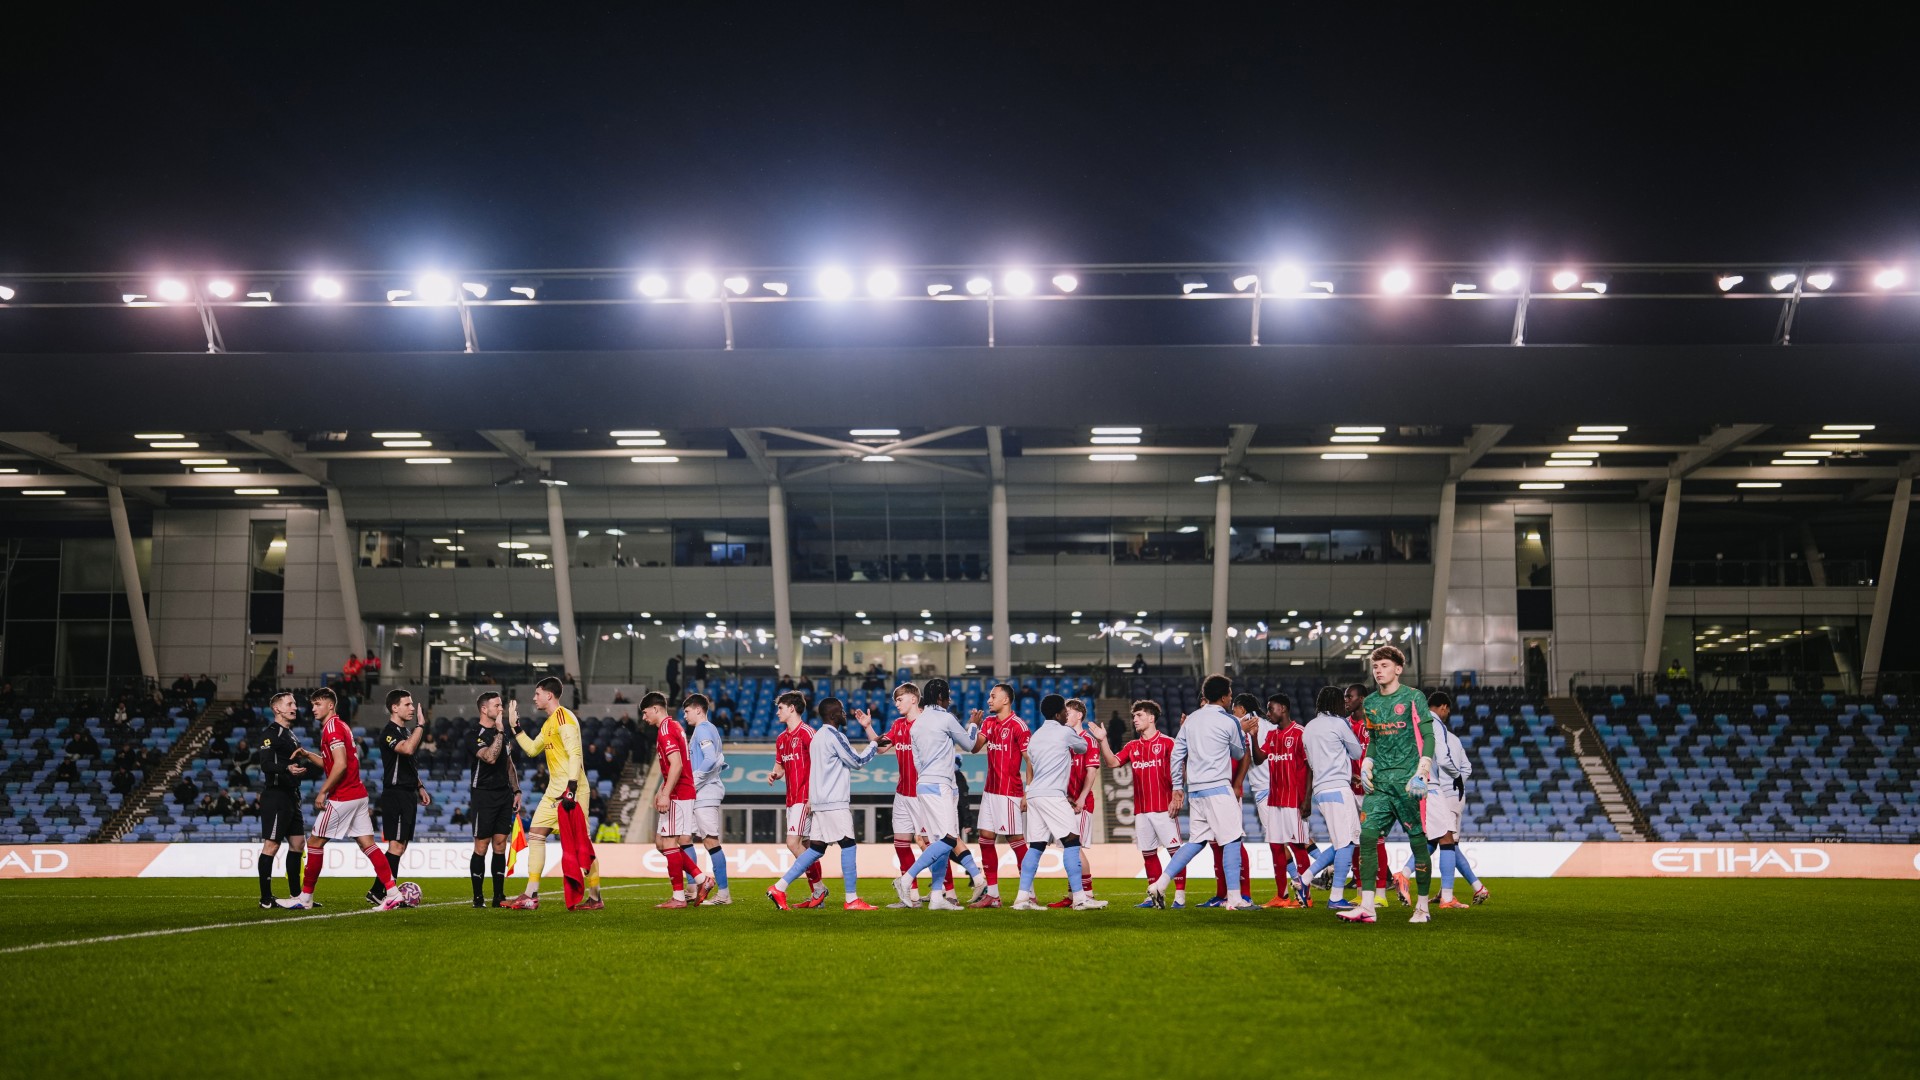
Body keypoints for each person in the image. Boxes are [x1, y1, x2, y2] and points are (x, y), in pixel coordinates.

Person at [277, 688, 406, 911]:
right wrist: (309, 755)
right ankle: (393, 893)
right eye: (313, 705)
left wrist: (323, 791)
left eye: (318, 704)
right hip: (358, 794)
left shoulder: (333, 728)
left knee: (315, 843)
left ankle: (305, 897)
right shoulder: (340, 726)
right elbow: (332, 762)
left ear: (330, 705)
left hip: (343, 796)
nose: (313, 709)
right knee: (368, 845)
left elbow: (340, 765)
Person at [1338, 646, 1439, 925]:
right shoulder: (1370, 703)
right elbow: (1373, 742)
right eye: (1375, 666)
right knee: (1367, 838)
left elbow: (1429, 736)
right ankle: (1368, 906)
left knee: (1418, 842)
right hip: (1379, 784)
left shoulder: (1413, 697)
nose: (1379, 670)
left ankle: (1422, 907)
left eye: (1384, 665)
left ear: (1398, 669)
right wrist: (1367, 763)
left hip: (1409, 783)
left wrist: (1423, 769)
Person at [1144, 674, 1252, 910]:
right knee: (1232, 839)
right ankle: (1234, 899)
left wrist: (1177, 788)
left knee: (1196, 841)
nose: (1231, 698)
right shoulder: (1229, 721)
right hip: (1219, 788)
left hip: (1197, 791)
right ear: (1224, 697)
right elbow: (1238, 753)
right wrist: (1240, 731)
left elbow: (1177, 755)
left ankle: (1160, 884)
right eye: (1230, 694)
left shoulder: (1191, 720)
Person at [768, 698, 885, 911]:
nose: (844, 714)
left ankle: (779, 887)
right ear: (833, 715)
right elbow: (857, 761)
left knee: (815, 849)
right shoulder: (834, 736)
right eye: (841, 711)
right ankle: (851, 899)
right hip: (834, 802)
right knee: (848, 845)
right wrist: (874, 744)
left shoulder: (817, 736)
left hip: (819, 802)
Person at [504, 678, 606, 911]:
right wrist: (516, 727)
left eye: (537, 693)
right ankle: (531, 894)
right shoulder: (549, 723)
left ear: (549, 695)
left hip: (572, 790)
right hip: (554, 792)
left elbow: (575, 754)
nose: (534, 697)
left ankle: (595, 896)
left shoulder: (564, 718)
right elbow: (531, 750)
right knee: (536, 835)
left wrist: (571, 788)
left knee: (582, 845)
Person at [892, 680, 986, 910]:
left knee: (939, 841)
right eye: (949, 695)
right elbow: (970, 744)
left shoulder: (916, 725)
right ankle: (905, 879)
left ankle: (936, 897)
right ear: (943, 696)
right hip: (940, 784)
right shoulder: (946, 718)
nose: (951, 699)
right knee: (949, 839)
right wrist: (973, 725)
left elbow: (916, 761)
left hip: (923, 784)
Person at [1009, 694, 1107, 910]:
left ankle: (1022, 898)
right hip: (1053, 795)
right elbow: (1081, 747)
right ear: (1057, 714)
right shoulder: (1065, 732)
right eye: (1064, 710)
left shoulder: (1035, 736)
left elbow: (1032, 762)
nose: (1066, 713)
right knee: (1072, 842)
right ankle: (1080, 898)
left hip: (1034, 794)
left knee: (1036, 846)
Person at [1091, 699, 1187, 908]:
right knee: (1148, 854)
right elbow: (1112, 762)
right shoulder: (1132, 746)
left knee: (1175, 853)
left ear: (1151, 718)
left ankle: (1180, 896)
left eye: (1139, 715)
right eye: (1134, 716)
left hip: (1164, 807)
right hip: (1141, 810)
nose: (1134, 719)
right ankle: (1154, 897)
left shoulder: (1168, 743)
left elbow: (1181, 771)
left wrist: (1177, 795)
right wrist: (1103, 740)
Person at [1397, 691, 1486, 909]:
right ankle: (1411, 878)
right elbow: (1448, 760)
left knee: (1434, 839)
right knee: (1447, 840)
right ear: (1444, 707)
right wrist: (1457, 779)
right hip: (1435, 789)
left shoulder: (1412, 724)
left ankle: (1450, 893)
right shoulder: (1439, 728)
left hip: (1413, 785)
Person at [1296, 685, 1367, 910]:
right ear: (1335, 703)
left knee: (1340, 842)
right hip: (1339, 787)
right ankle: (1336, 896)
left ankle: (1304, 879)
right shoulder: (1339, 723)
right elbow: (1357, 752)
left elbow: (1312, 760)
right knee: (1348, 842)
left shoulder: (1308, 727)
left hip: (1321, 790)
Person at [644, 690, 712, 909]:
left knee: (670, 843)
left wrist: (666, 792)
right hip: (676, 790)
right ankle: (702, 880)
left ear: (655, 709)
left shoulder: (666, 730)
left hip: (679, 793)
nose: (644, 718)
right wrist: (663, 788)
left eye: (646, 713)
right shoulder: (671, 727)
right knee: (661, 844)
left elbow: (677, 764)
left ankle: (679, 897)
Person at [366, 689, 431, 906]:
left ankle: (378, 890)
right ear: (395, 708)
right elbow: (408, 750)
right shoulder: (389, 731)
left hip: (407, 793)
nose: (412, 708)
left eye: (412, 704)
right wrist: (421, 726)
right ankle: (384, 891)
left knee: (400, 846)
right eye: (407, 704)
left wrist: (419, 786)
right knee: (395, 846)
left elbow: (409, 765)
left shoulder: (404, 731)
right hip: (395, 793)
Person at [967, 683, 1030, 908]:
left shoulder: (1019, 726)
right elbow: (974, 748)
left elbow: (1029, 760)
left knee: (1015, 840)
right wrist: (972, 726)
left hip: (1009, 792)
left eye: (993, 696)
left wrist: (1027, 792)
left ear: (1006, 700)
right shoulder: (989, 722)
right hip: (990, 791)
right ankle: (992, 895)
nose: (989, 700)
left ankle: (1028, 893)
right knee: (985, 839)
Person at [1249, 693, 1313, 908]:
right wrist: (1254, 737)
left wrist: (1307, 800)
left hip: (1294, 801)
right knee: (1276, 846)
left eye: (1271, 708)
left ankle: (1306, 896)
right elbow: (1259, 759)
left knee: (1297, 846)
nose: (1268, 713)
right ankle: (1282, 896)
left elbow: (1310, 767)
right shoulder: (1273, 735)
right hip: (1274, 799)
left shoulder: (1300, 733)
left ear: (1283, 708)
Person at [254, 691, 315, 908]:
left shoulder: (291, 735)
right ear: (277, 709)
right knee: (271, 845)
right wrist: (287, 768)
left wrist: (299, 770)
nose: (295, 707)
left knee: (298, 844)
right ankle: (265, 898)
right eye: (290, 704)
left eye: (295, 704)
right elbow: (265, 764)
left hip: (291, 796)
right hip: (276, 796)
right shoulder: (270, 734)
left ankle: (297, 896)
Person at [768, 691, 827, 907]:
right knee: (806, 846)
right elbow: (780, 767)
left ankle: (819, 889)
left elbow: (820, 765)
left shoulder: (808, 734)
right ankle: (818, 894)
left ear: (792, 708)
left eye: (780, 708)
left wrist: (814, 795)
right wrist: (774, 773)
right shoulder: (782, 738)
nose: (777, 712)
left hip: (805, 797)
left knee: (793, 843)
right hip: (791, 799)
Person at [468, 691, 521, 908]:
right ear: (484, 709)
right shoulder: (475, 734)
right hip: (483, 794)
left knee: (500, 844)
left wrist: (516, 790)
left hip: (504, 794)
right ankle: (478, 897)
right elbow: (489, 757)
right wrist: (499, 731)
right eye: (497, 706)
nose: (501, 709)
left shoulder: (504, 735)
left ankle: (498, 896)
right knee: (482, 845)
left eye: (501, 705)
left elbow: (508, 763)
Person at [1344, 682, 1393, 899]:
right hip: (1350, 791)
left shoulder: (1376, 724)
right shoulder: (1344, 725)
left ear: (1362, 699)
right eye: (1345, 697)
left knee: (1376, 840)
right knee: (1356, 840)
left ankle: (1381, 893)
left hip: (1373, 791)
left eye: (1350, 697)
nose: (1346, 700)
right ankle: (1361, 891)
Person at [685, 694, 732, 905]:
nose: (684, 715)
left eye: (687, 711)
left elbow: (710, 759)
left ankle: (723, 894)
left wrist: (692, 781)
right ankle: (693, 888)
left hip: (705, 792)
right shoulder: (707, 729)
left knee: (711, 841)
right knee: (684, 839)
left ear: (698, 709)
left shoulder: (703, 728)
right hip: (700, 793)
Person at [879, 686, 924, 907]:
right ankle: (911, 895)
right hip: (902, 793)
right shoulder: (898, 725)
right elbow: (880, 748)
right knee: (901, 844)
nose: (896, 704)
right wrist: (869, 729)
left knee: (930, 844)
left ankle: (945, 890)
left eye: (900, 699)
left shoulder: (927, 724)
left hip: (923, 795)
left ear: (914, 699)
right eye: (895, 700)